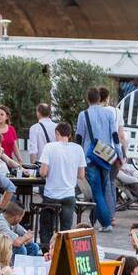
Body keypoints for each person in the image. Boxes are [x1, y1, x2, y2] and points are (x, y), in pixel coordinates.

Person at [77, 86, 120, 234]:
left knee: (97, 191)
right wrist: (119, 152)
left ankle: (106, 222)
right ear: (99, 98)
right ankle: (98, 219)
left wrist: (77, 156)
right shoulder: (109, 113)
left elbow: (79, 138)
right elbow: (115, 135)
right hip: (107, 155)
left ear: (88, 99)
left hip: (91, 156)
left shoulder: (83, 115)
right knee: (104, 187)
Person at [38, 122, 87, 244]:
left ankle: (46, 250)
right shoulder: (78, 149)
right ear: (70, 135)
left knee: (46, 227)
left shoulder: (49, 147)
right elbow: (81, 175)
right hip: (69, 195)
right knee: (66, 229)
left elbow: (43, 172)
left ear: (57, 133)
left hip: (51, 195)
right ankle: (64, 252)